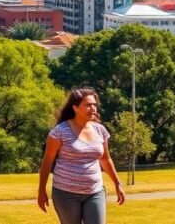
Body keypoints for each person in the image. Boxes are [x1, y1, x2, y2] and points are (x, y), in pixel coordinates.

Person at [37, 87, 125, 224]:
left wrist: (118, 183)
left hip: (95, 191)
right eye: (88, 105)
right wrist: (41, 190)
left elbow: (105, 158)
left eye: (94, 104)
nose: (93, 108)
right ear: (75, 108)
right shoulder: (59, 132)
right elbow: (47, 162)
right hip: (65, 194)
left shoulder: (100, 130)